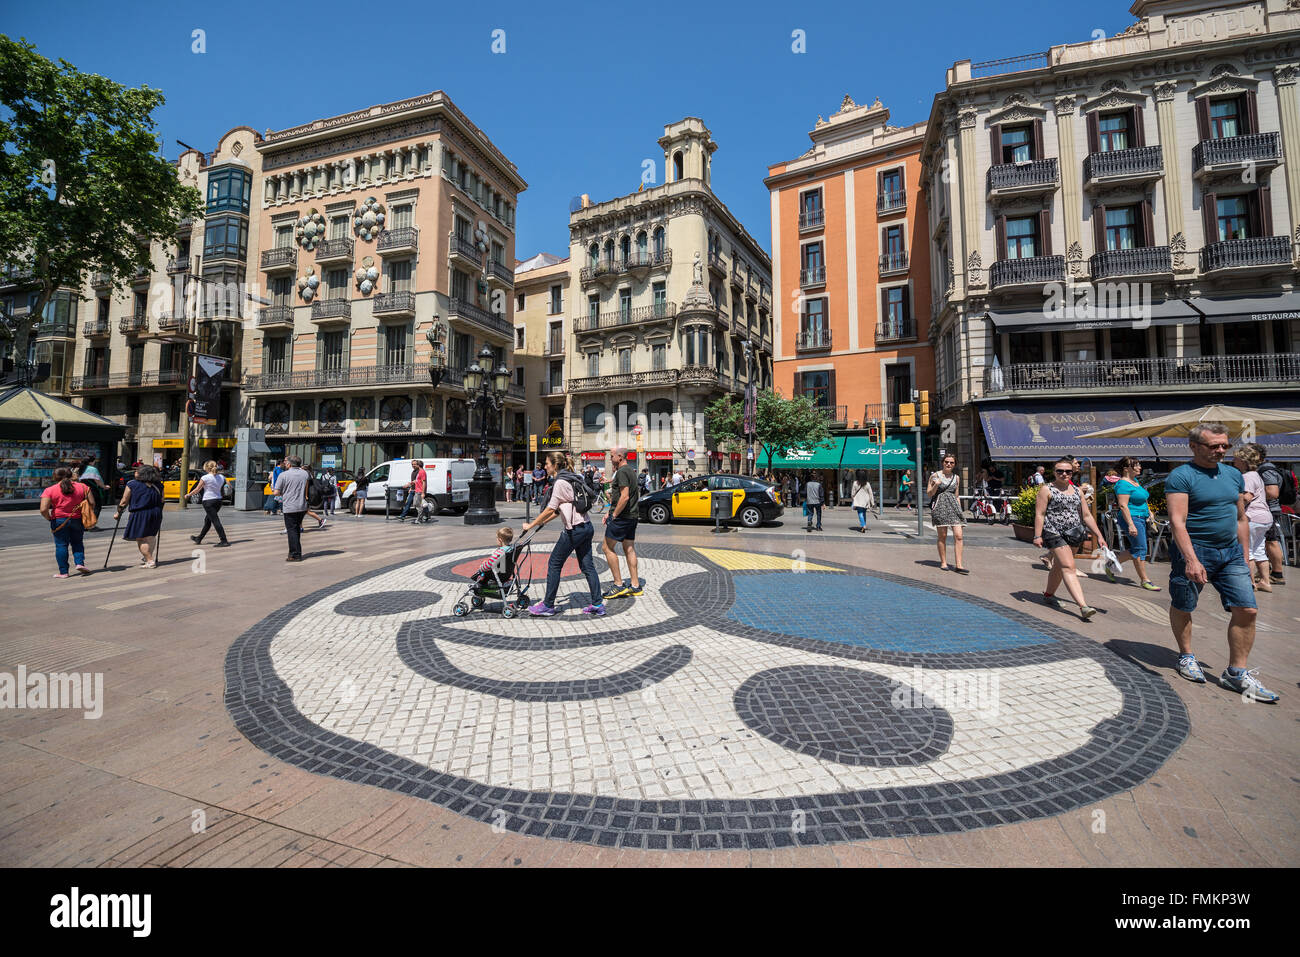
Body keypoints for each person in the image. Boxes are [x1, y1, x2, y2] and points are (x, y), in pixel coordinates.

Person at [1166, 423, 1277, 702]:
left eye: (1224, 446)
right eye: (1213, 446)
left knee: (1248, 610)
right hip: (1194, 549)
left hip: (1230, 553)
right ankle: (1186, 655)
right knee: (1184, 604)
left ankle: (1236, 673)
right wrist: (1191, 559)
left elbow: (1241, 517)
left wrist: (1245, 556)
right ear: (1194, 447)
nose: (1221, 451)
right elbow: (1177, 522)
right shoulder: (1181, 476)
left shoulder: (1232, 474)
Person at [522, 451, 605, 616]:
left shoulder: (560, 482)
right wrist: (542, 522)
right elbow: (558, 510)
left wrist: (531, 524)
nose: (545, 467)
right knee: (587, 566)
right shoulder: (571, 477)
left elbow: (551, 508)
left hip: (574, 529)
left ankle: (547, 605)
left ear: (555, 465)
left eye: (547, 464)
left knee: (554, 564)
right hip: (586, 526)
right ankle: (597, 604)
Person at [1034, 457, 1105, 620]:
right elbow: (1040, 513)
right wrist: (1038, 535)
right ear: (1054, 472)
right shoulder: (1047, 489)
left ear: (1072, 473)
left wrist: (1099, 535)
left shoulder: (1077, 491)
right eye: (1060, 471)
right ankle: (1083, 606)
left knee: (1059, 566)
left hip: (1074, 532)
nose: (1064, 474)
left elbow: (1086, 515)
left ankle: (1049, 594)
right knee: (1068, 566)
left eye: (1068, 471)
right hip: (1054, 532)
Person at [601, 446, 642, 598]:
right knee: (629, 548)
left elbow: (624, 497)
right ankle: (635, 585)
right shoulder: (630, 470)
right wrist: (609, 512)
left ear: (620, 456)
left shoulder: (623, 472)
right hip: (631, 516)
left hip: (623, 517)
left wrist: (614, 515)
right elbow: (623, 496)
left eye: (611, 456)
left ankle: (618, 584)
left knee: (607, 548)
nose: (610, 459)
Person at [1110, 457, 1157, 590]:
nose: (1139, 468)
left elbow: (1143, 498)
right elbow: (1123, 506)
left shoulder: (1135, 481)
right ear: (1126, 469)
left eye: (1139, 465)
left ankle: (1110, 565)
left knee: (1138, 548)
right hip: (1132, 518)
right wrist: (1131, 524)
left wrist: (1150, 512)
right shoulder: (1123, 484)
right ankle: (1145, 580)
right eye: (1136, 465)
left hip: (1142, 517)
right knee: (1141, 548)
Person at [1233, 446, 1274, 594]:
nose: (1233, 460)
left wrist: (1233, 504)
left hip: (1252, 517)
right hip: (1264, 517)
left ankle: (1250, 583)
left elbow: (1246, 497)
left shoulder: (1247, 476)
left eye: (1236, 458)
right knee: (1259, 551)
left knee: (1247, 551)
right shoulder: (1256, 475)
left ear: (1243, 461)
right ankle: (1265, 582)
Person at [40, 467, 92, 578]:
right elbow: (92, 503)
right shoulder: (83, 487)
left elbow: (43, 509)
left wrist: (49, 518)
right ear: (70, 474)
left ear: (55, 476)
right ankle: (79, 563)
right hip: (77, 519)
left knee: (61, 545)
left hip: (59, 520)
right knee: (77, 542)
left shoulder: (50, 490)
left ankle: (64, 572)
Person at [114, 465, 164, 568]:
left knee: (141, 538)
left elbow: (124, 501)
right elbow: (162, 500)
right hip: (156, 512)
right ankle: (147, 557)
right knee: (150, 536)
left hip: (140, 513)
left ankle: (150, 560)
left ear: (142, 473)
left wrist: (118, 513)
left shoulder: (132, 484)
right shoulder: (159, 485)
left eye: (137, 471)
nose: (135, 473)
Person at [1252, 444, 1288, 586]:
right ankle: (1270, 572)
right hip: (1268, 510)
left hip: (1269, 510)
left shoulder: (1266, 470)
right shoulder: (1263, 469)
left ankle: (1277, 574)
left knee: (1271, 541)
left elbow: (1273, 492)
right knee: (1267, 542)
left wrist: (1253, 494)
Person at [928, 454, 968, 572]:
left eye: (951, 462)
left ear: (955, 464)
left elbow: (956, 495)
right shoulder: (935, 476)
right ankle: (944, 562)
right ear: (942, 462)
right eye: (946, 462)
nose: (949, 464)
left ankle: (959, 565)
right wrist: (937, 484)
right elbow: (929, 493)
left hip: (954, 507)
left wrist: (960, 510)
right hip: (940, 506)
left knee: (959, 536)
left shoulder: (956, 477)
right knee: (943, 536)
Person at [275, 455, 310, 562]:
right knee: (296, 530)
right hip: (302, 506)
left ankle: (295, 554)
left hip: (290, 506)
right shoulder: (305, 473)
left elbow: (276, 492)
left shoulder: (283, 475)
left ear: (290, 464)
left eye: (286, 462)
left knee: (292, 531)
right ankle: (295, 552)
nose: (285, 464)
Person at [190, 460, 231, 548]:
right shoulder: (221, 477)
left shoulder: (205, 477)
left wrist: (188, 495)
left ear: (207, 468)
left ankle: (224, 540)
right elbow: (229, 486)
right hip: (218, 501)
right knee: (208, 520)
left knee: (215, 520)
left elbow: (197, 490)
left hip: (208, 501)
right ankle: (199, 538)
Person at [76, 455, 105, 521]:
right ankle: (91, 524)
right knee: (97, 506)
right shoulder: (92, 469)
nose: (94, 463)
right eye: (94, 461)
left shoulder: (80, 469)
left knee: (85, 507)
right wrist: (104, 486)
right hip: (92, 490)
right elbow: (97, 480)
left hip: (82, 490)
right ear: (90, 462)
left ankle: (84, 523)